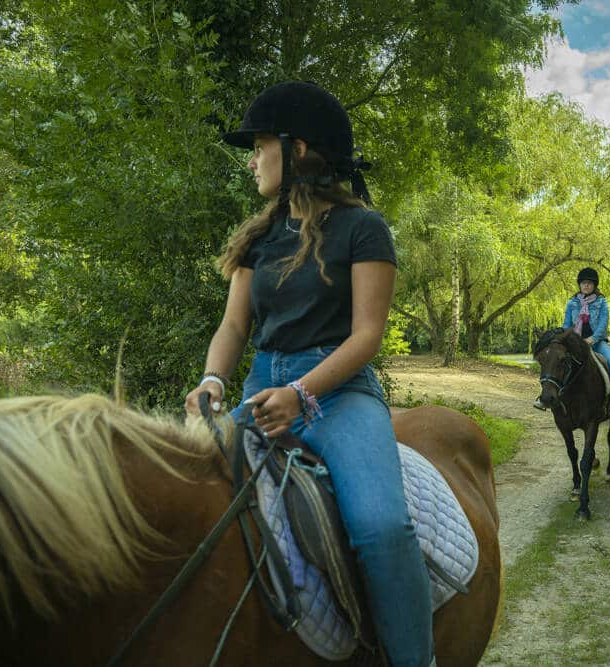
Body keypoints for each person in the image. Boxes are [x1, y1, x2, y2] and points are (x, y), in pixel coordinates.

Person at [183, 81, 432, 667]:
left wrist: (301, 392)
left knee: (381, 526)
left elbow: (366, 335)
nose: (252, 158)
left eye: (261, 145)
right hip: (261, 390)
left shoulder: (363, 228)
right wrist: (214, 380)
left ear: (296, 151)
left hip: (340, 395)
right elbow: (234, 328)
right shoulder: (259, 237)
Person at [534, 267, 610, 417]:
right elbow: (566, 325)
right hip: (575, 343)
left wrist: (592, 339)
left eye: (589, 283)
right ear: (579, 285)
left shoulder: (602, 303)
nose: (586, 286)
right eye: (583, 283)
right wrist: (564, 339)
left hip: (597, 342)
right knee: (556, 362)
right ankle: (546, 396)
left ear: (594, 285)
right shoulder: (572, 303)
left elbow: (603, 324)